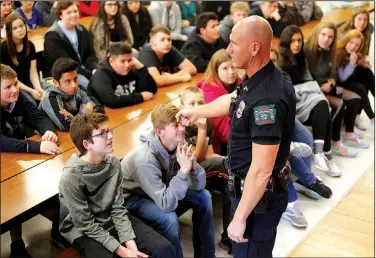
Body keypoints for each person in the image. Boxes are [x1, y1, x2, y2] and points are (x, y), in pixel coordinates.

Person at [177, 16, 296, 258]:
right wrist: (195, 111)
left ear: (254, 48)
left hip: (258, 201)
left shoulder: (267, 102)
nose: (228, 49)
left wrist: (239, 217)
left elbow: (261, 170)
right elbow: (233, 100)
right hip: (250, 193)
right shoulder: (261, 76)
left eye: (234, 43)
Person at [59, 112, 176, 258]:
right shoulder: (70, 177)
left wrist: (130, 244)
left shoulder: (113, 164)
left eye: (109, 130)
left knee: (164, 248)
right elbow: (86, 224)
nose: (110, 136)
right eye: (102, 134)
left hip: (110, 217)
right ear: (86, 144)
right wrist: (121, 250)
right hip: (83, 230)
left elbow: (118, 208)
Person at [121, 103, 216, 258]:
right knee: (169, 218)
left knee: (204, 196)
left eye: (181, 123)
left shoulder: (178, 142)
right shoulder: (144, 159)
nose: (182, 129)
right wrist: (183, 171)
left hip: (161, 191)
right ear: (159, 131)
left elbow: (199, 185)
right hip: (133, 199)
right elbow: (166, 204)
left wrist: (192, 168)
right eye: (175, 125)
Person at [278, 24, 349, 177]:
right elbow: (288, 90)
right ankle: (326, 154)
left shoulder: (300, 57)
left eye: (299, 40)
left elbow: (312, 79)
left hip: (307, 96)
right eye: (293, 41)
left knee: (324, 104)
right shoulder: (280, 60)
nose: (297, 44)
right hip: (291, 103)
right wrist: (311, 87)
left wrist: (327, 83)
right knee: (326, 103)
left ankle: (323, 154)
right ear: (286, 42)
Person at [180, 86, 232, 253]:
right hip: (186, 174)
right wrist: (202, 131)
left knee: (230, 179)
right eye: (191, 103)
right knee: (228, 169)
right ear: (182, 107)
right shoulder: (182, 125)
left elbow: (208, 154)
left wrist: (224, 160)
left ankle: (229, 237)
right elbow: (196, 159)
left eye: (200, 103)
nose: (196, 107)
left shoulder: (204, 120)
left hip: (201, 170)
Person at [304, 23, 367, 152]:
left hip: (328, 86)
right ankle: (335, 141)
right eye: (323, 35)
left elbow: (333, 74)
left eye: (330, 37)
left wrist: (331, 83)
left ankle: (348, 135)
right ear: (317, 34)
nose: (326, 39)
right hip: (314, 89)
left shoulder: (331, 51)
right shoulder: (307, 50)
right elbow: (305, 76)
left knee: (355, 98)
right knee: (340, 105)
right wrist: (322, 86)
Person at [43, 1, 98, 89]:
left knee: (102, 79)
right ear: (60, 15)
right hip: (63, 73)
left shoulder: (82, 30)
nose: (73, 15)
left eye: (75, 11)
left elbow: (91, 54)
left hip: (82, 69)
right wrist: (89, 73)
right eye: (69, 12)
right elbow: (66, 64)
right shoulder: (53, 36)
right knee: (88, 85)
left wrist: (94, 69)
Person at [39, 57, 104, 131]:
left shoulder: (79, 88)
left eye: (75, 79)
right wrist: (86, 111)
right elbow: (67, 125)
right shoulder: (50, 97)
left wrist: (74, 118)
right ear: (56, 83)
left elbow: (100, 110)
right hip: (49, 137)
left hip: (81, 131)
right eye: (68, 81)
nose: (74, 85)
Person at [88, 42, 157, 108]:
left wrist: (141, 67)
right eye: (122, 61)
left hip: (128, 111)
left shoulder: (131, 69)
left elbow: (152, 90)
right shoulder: (100, 75)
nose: (127, 65)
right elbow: (111, 101)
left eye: (129, 60)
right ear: (111, 61)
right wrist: (140, 97)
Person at [338, 9, 375, 130]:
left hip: (349, 70)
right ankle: (371, 118)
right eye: (359, 19)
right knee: (361, 87)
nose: (362, 23)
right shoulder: (344, 37)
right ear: (353, 20)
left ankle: (360, 115)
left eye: (365, 20)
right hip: (340, 79)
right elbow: (341, 76)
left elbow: (357, 56)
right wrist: (354, 63)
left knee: (368, 74)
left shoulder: (366, 35)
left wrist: (360, 62)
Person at [1, 12, 45, 107]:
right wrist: (31, 91)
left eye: (21, 26)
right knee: (32, 104)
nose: (20, 30)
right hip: (14, 86)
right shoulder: (3, 49)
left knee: (47, 93)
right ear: (9, 31)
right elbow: (10, 79)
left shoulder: (30, 46)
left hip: (29, 82)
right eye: (15, 28)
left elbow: (33, 72)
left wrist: (38, 88)